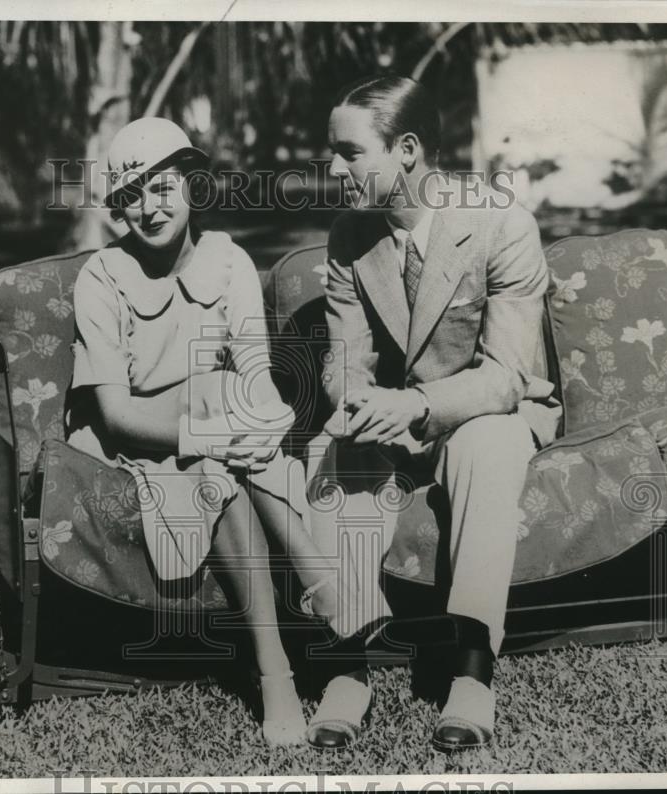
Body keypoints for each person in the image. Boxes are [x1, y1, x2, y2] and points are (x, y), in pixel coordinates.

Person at [66, 117, 354, 746]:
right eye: (132, 196)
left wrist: (265, 424)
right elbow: (116, 414)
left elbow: (256, 378)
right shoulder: (102, 278)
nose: (150, 207)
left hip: (214, 432)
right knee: (215, 434)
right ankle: (293, 636)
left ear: (193, 186)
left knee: (227, 433)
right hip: (135, 443)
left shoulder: (228, 261)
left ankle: (291, 632)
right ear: (118, 209)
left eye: (163, 187)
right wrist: (214, 434)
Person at [304, 76, 561, 751]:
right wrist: (357, 405)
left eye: (350, 153)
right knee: (332, 451)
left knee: (491, 444)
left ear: (408, 149)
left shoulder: (502, 221)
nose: (333, 169)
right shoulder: (349, 236)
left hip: (486, 411)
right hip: (397, 417)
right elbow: (343, 361)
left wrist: (415, 403)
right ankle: (348, 665)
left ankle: (472, 670)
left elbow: (507, 377)